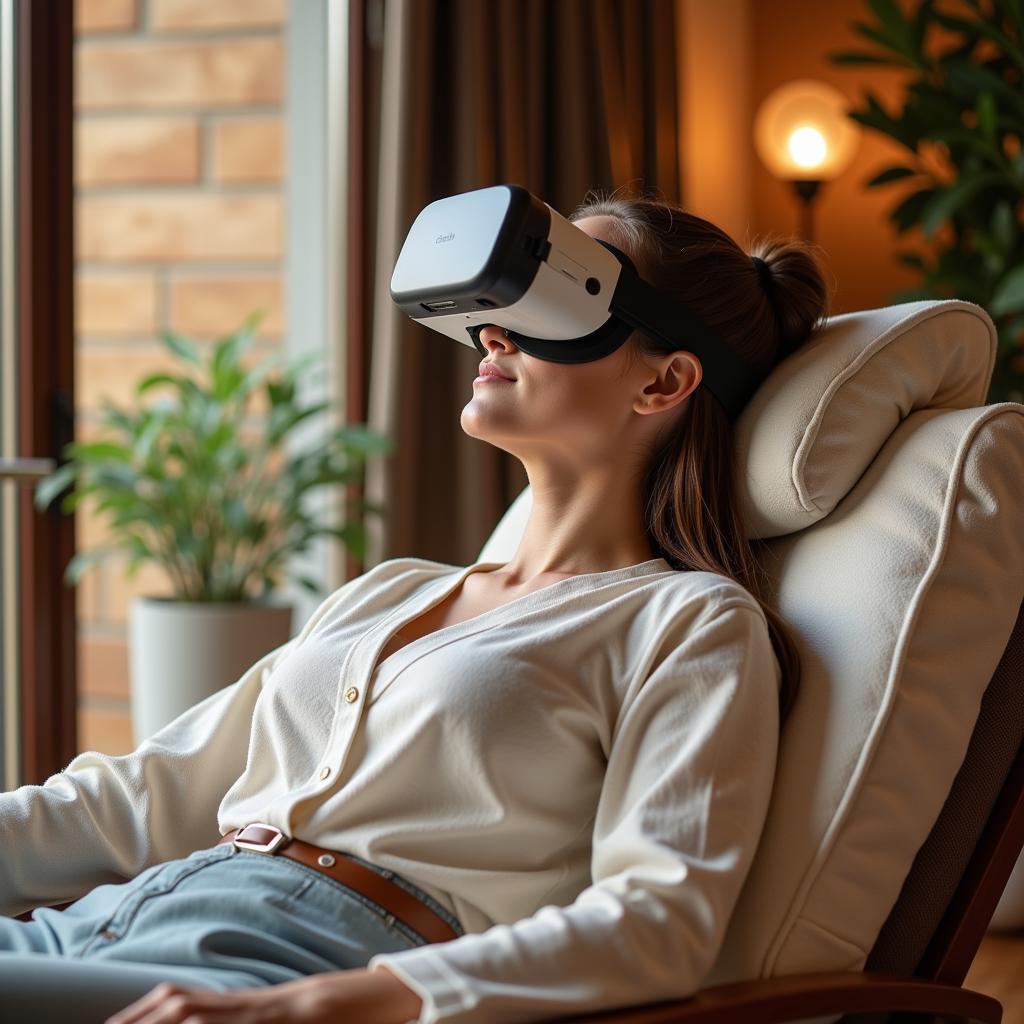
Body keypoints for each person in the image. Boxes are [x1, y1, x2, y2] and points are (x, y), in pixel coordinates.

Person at [0, 188, 831, 1024]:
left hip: (279, 969)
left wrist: (318, 1007)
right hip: (94, 927)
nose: (492, 331)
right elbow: (144, 795)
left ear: (665, 380)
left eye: (552, 299)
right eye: (496, 303)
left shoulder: (690, 624)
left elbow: (655, 923)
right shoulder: (391, 589)